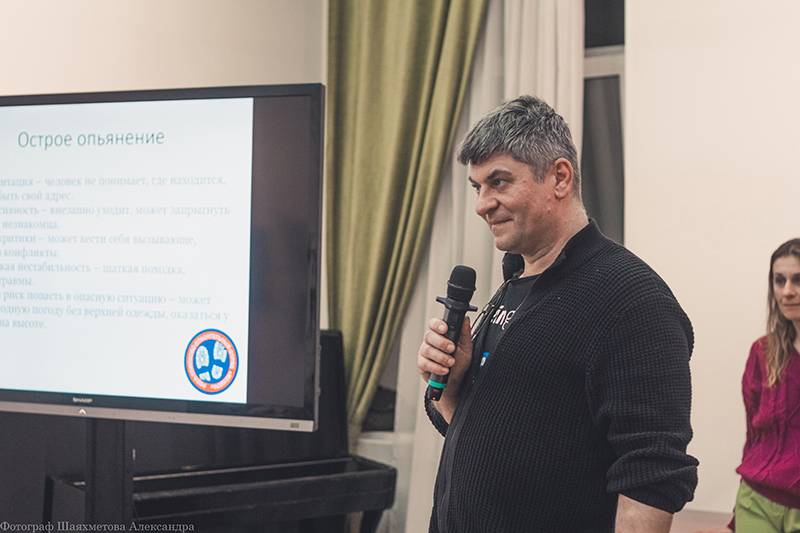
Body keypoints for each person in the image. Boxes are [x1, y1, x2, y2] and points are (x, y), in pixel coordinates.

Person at [417, 95, 698, 532]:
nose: (482, 204)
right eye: (477, 187)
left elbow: (652, 475)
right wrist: (452, 390)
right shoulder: (513, 285)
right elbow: (494, 437)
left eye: (499, 182)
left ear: (560, 178)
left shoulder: (632, 299)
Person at [696, 238, 800, 533]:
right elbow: (754, 439)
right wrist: (734, 524)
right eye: (779, 280)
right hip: (756, 503)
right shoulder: (762, 353)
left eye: (798, 280)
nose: (787, 291)